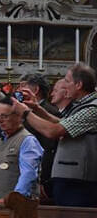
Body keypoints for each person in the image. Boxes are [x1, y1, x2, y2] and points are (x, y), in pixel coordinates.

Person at [13, 63, 97, 207]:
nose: (64, 86)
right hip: (71, 180)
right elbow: (63, 123)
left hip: (79, 183)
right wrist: (37, 108)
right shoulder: (82, 105)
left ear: (79, 85)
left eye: (67, 81)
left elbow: (53, 131)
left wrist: (25, 113)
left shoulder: (92, 108)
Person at [0, 97, 43, 203]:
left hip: (18, 207)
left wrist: (11, 200)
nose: (0, 120)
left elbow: (28, 174)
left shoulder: (27, 141)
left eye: (4, 116)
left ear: (19, 117)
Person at [17, 73, 59, 199]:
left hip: (38, 175)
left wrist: (43, 180)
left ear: (35, 90)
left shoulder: (49, 112)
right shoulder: (23, 109)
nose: (18, 91)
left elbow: (48, 147)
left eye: (22, 87)